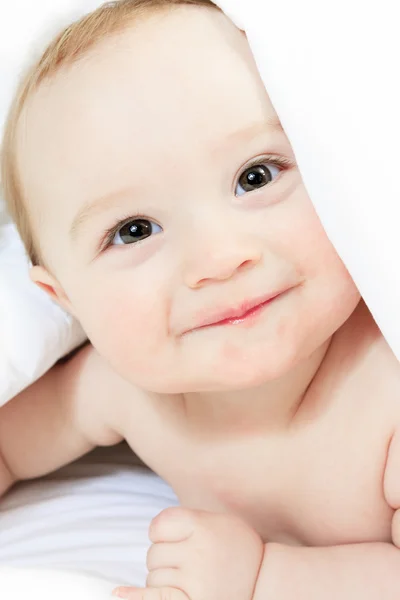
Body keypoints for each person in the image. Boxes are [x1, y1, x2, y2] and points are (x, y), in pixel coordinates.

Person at [2, 0, 400, 598]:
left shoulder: (386, 401)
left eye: (256, 176)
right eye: (134, 230)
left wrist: (264, 578)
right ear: (66, 300)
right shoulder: (121, 390)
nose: (219, 259)